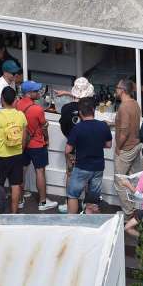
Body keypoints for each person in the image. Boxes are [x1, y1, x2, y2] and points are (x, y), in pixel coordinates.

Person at [65, 97, 112, 214]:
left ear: (80, 112)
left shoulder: (77, 128)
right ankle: (90, 221)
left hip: (82, 166)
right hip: (98, 167)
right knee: (93, 197)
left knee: (72, 194)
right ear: (94, 109)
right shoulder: (103, 126)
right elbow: (108, 144)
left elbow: (67, 149)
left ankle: (71, 222)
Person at [16, 81, 57, 211]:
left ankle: (20, 200)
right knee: (40, 171)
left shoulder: (17, 105)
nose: (38, 92)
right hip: (37, 144)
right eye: (36, 91)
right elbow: (44, 126)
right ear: (29, 93)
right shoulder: (37, 109)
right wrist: (47, 138)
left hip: (22, 144)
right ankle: (43, 202)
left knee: (21, 170)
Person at [0, 86, 27, 214]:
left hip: (1, 156)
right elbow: (24, 139)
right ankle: (14, 213)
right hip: (16, 155)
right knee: (15, 185)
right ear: (15, 99)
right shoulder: (21, 115)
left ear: (2, 100)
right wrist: (19, 151)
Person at [57, 77, 94, 212]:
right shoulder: (90, 108)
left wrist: (70, 137)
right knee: (87, 175)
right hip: (87, 147)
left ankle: (70, 203)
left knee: (70, 173)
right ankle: (87, 204)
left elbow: (63, 127)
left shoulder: (66, 108)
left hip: (71, 146)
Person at [113, 77, 143, 220]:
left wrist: (118, 147)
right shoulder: (135, 104)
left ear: (123, 91)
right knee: (135, 179)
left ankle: (129, 213)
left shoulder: (124, 107)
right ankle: (137, 210)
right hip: (136, 145)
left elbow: (124, 131)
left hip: (126, 149)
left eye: (117, 88)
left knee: (119, 182)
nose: (116, 90)